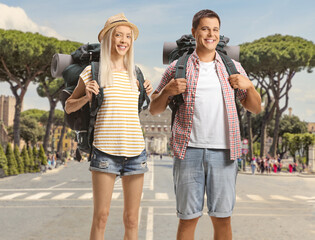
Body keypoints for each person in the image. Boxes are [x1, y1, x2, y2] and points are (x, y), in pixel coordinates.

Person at [149, 9, 261, 240]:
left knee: (222, 219)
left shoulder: (233, 67)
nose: (211, 34)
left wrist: (249, 87)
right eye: (205, 28)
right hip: (188, 150)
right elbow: (154, 108)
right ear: (194, 32)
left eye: (215, 29)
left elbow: (255, 107)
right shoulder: (177, 67)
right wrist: (167, 91)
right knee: (187, 219)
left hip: (225, 152)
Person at [65, 13, 152, 240]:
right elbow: (68, 106)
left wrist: (150, 92)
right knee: (101, 217)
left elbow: (146, 109)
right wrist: (86, 97)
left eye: (128, 36)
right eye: (118, 35)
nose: (124, 40)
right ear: (108, 40)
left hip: (136, 153)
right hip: (105, 152)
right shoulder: (92, 71)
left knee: (132, 220)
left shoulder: (137, 74)